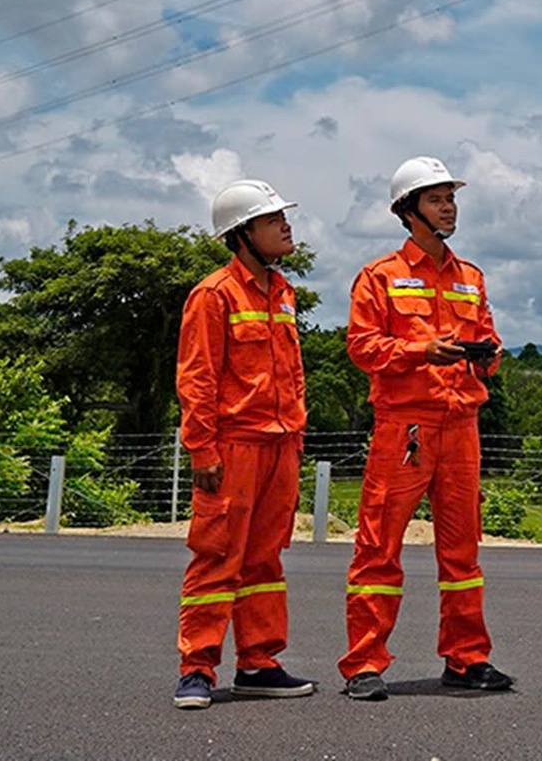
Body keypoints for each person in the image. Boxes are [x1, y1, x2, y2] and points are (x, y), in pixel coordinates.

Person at [338, 155, 513, 701]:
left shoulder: (471, 277)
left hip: (462, 424)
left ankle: (466, 659)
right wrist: (421, 351)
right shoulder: (379, 277)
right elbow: (362, 347)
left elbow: (488, 339)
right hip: (406, 426)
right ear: (408, 210)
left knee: (463, 551)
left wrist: (487, 357)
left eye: (452, 198)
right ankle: (364, 664)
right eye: (437, 199)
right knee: (379, 546)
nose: (449, 207)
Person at [173, 179, 316, 710]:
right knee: (217, 557)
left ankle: (259, 662)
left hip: (281, 447)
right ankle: (197, 669)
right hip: (233, 447)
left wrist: (296, 434)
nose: (286, 225)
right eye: (272, 218)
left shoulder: (283, 291)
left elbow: (294, 374)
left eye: (284, 215)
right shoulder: (214, 294)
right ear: (242, 233)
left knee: (264, 561)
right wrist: (202, 449)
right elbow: (197, 379)